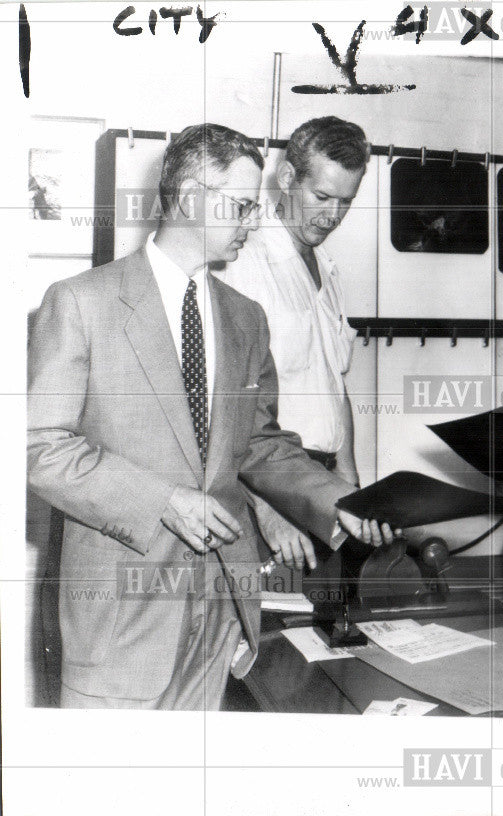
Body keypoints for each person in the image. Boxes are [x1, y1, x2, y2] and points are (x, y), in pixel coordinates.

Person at [27, 123, 393, 710]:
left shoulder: (244, 317)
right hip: (119, 619)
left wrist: (338, 504)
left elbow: (259, 444)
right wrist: (162, 502)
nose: (254, 220)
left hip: (218, 612)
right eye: (243, 206)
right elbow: (39, 447)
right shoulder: (80, 303)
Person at [215, 116, 369, 575]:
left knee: (325, 636)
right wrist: (265, 507)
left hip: (322, 487)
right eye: (321, 197)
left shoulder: (328, 267)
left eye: (346, 202)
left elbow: (334, 382)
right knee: (273, 639)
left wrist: (349, 479)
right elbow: (224, 405)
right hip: (268, 489)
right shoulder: (243, 261)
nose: (332, 216)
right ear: (286, 178)